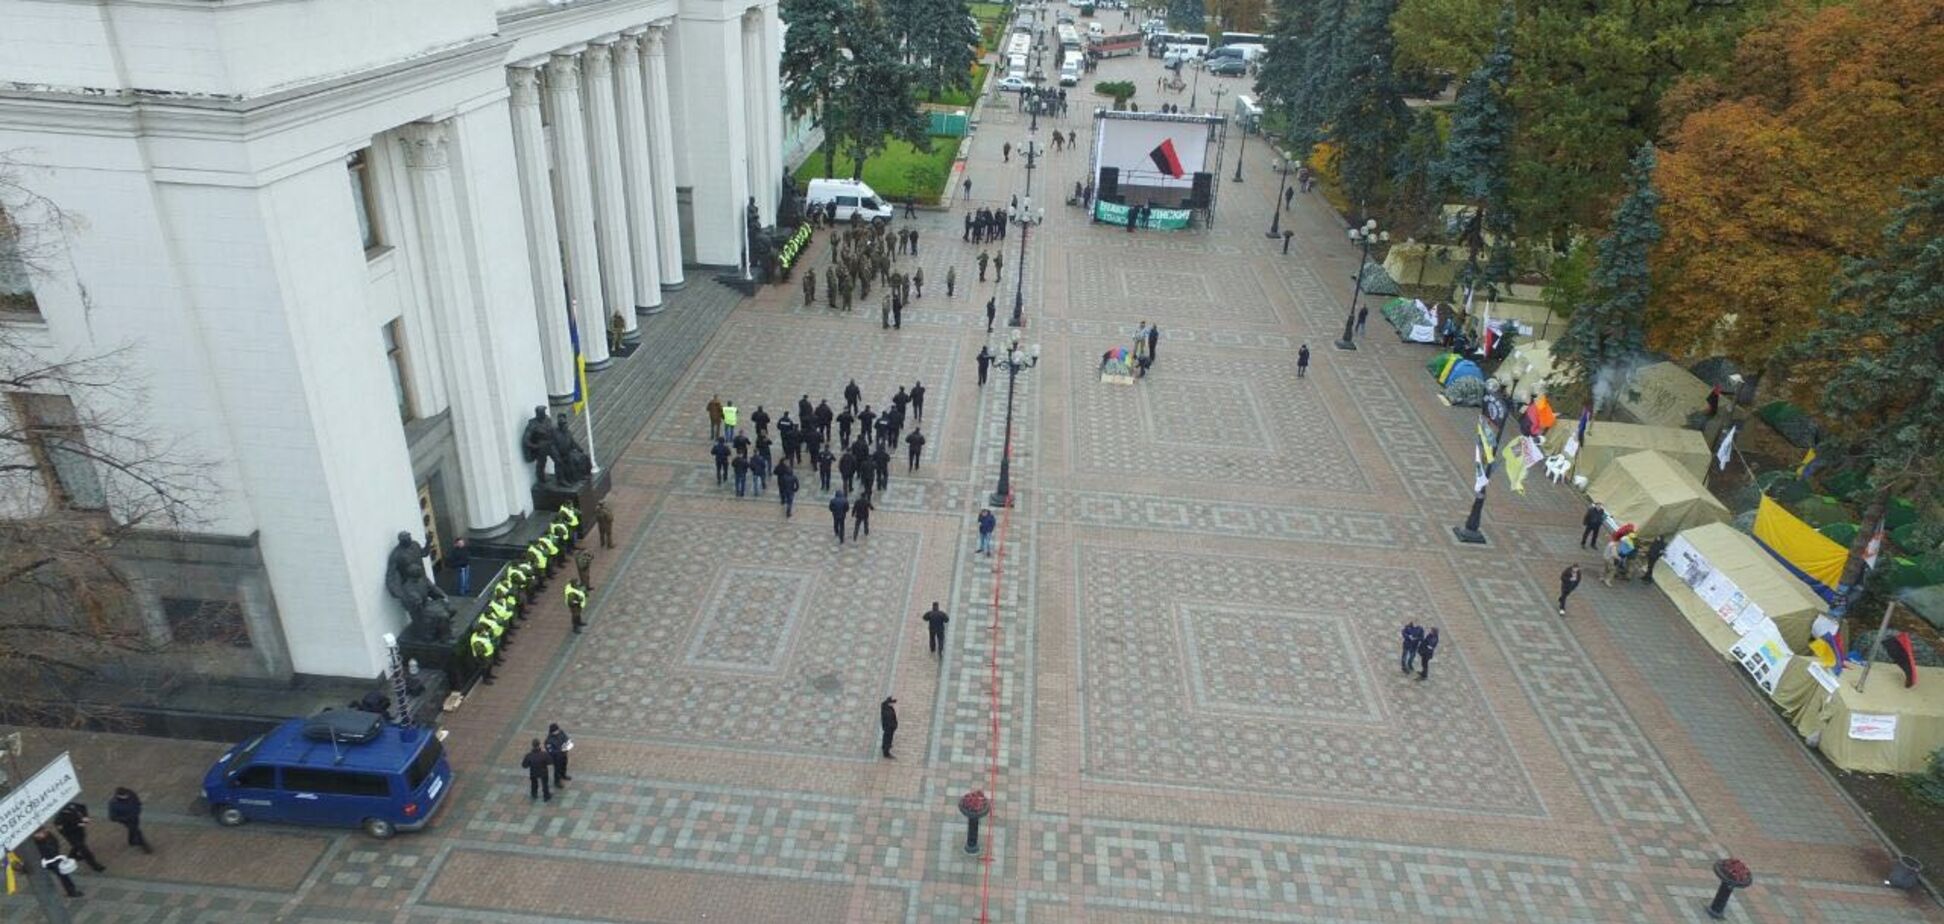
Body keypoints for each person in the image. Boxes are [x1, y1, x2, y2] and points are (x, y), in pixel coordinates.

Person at [31, 827, 81, 897]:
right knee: (57, 876)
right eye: (39, 833)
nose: (41, 834)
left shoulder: (48, 836)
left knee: (63, 875)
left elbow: (55, 843)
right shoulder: (35, 842)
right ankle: (69, 891)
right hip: (45, 861)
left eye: (42, 832)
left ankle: (71, 891)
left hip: (54, 859)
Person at [54, 801, 104, 872]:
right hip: (71, 835)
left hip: (80, 831)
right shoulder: (59, 819)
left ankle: (72, 855)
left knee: (79, 844)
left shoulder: (71, 805)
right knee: (84, 850)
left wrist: (85, 816)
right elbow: (64, 830)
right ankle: (95, 865)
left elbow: (82, 807)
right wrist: (77, 825)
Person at [108, 787, 152, 854]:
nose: (126, 797)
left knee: (134, 829)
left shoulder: (131, 793)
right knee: (136, 831)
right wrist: (125, 818)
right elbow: (112, 817)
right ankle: (144, 845)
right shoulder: (113, 804)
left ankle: (131, 841)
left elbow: (137, 801)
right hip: (127, 820)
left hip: (135, 816)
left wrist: (138, 809)